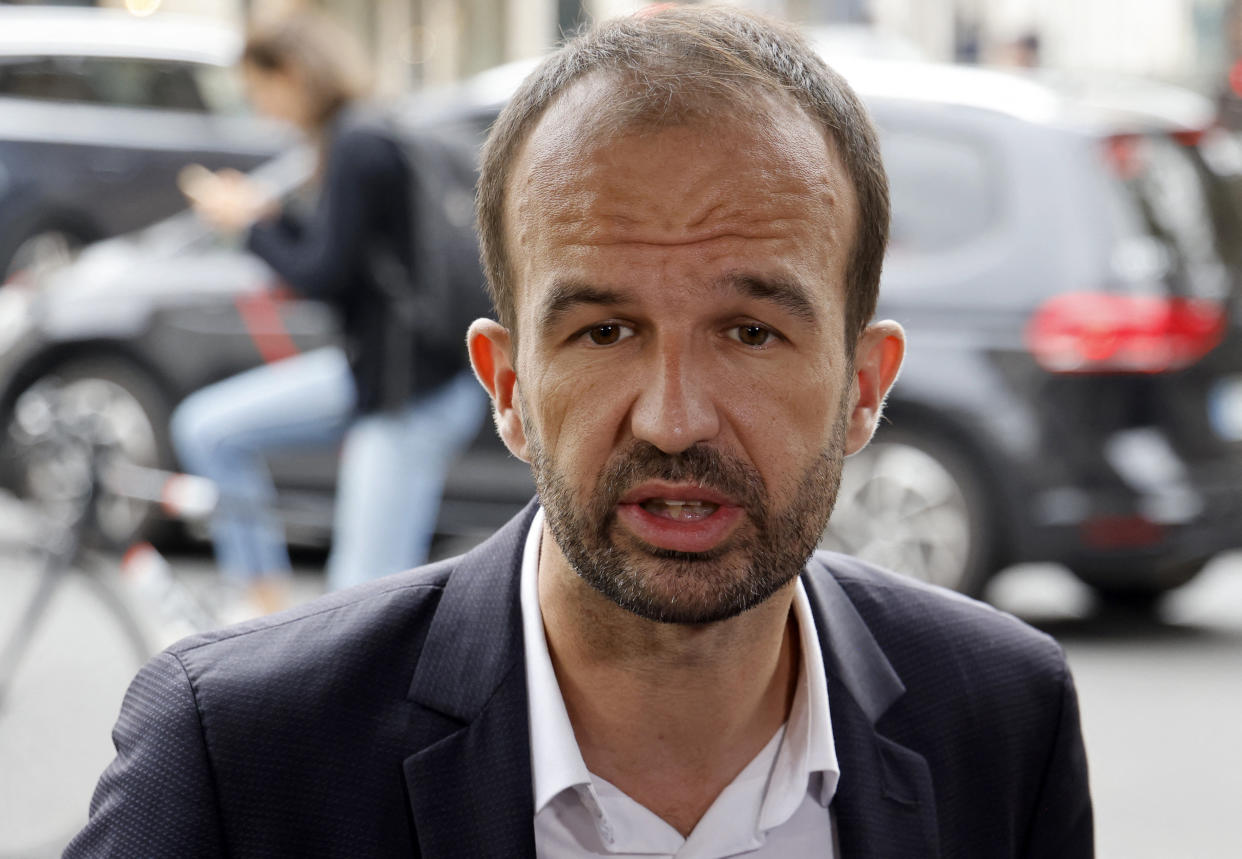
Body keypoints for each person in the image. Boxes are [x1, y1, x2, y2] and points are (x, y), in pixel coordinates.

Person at [67, 7, 1092, 857]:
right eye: (604, 331)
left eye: (750, 330)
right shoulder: (240, 757)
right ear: (507, 385)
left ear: (864, 385)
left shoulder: (1002, 718)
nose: (675, 416)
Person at [170, 11, 487, 613]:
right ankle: (262, 602)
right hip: (374, 374)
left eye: (259, 91)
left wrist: (247, 227)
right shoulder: (363, 134)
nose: (261, 109)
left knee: (359, 596)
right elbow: (345, 260)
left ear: (291, 75)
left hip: (409, 396)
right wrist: (269, 220)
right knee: (207, 428)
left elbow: (322, 274)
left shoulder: (358, 145)